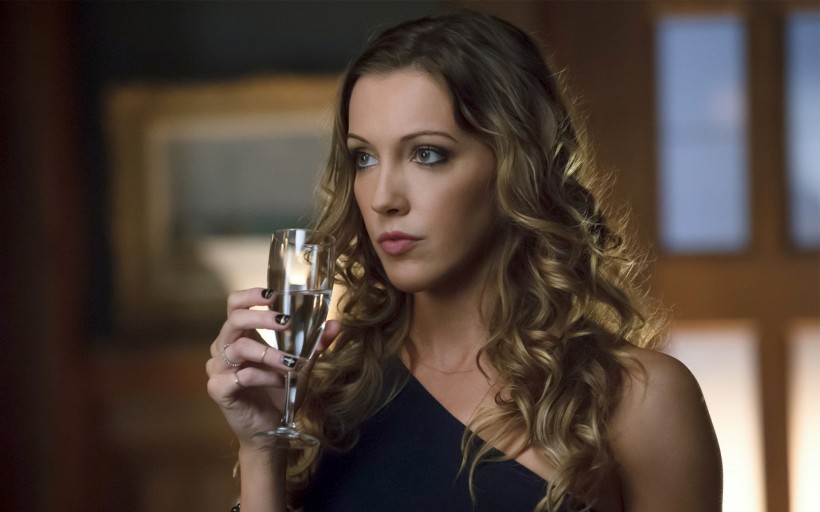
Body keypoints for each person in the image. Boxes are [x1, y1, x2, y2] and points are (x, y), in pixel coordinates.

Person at [206, 10, 722, 512]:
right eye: (365, 157)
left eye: (427, 154)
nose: (384, 197)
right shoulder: (332, 390)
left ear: (516, 164)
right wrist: (260, 451)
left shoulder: (637, 400)